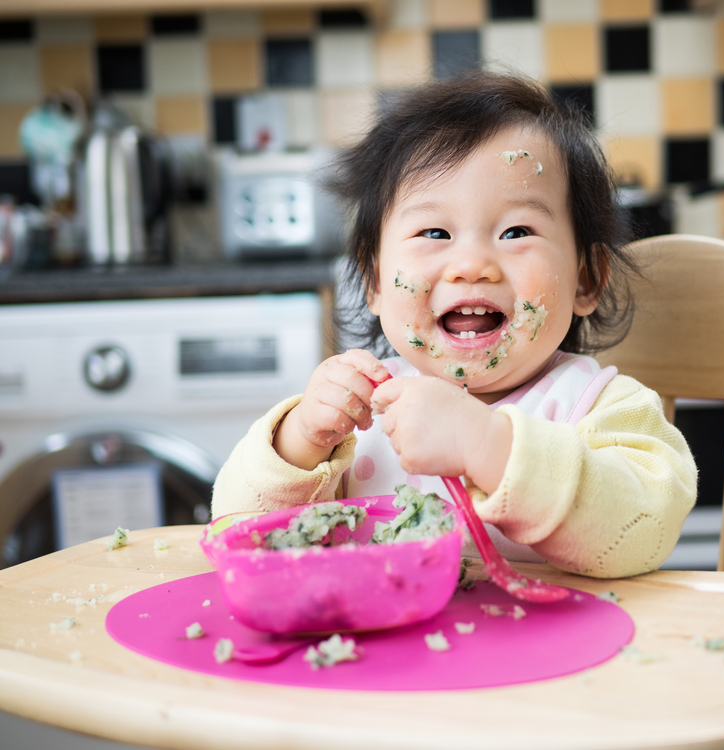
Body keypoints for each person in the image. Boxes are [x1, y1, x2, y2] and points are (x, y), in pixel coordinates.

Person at [212, 72, 697, 578]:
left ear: (584, 280)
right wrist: (300, 442)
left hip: (560, 655)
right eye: (434, 231)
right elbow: (238, 531)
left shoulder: (602, 408)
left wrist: (485, 444)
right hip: (394, 655)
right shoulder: (360, 419)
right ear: (374, 281)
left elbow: (642, 531)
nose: (471, 264)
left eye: (516, 231)